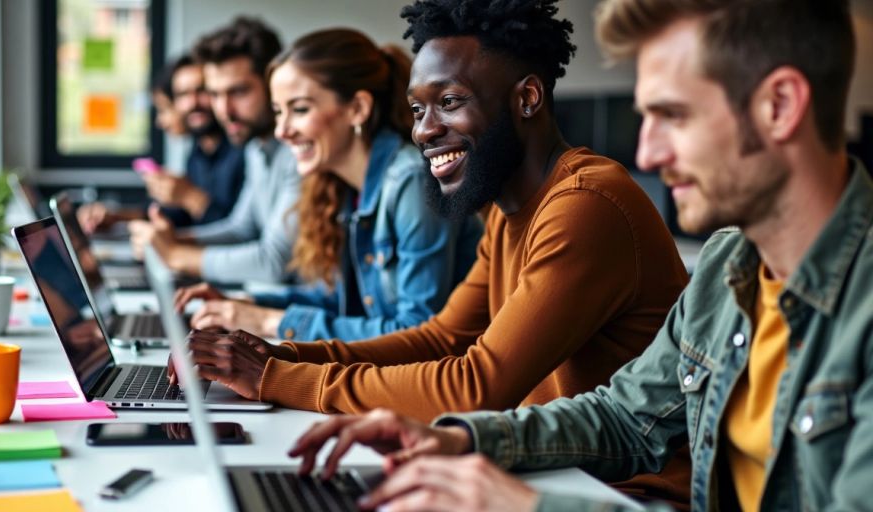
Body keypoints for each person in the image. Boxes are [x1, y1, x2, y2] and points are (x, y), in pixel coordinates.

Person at [289, 0, 868, 510]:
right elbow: (625, 419)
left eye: (674, 115)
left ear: (779, 105)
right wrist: (461, 439)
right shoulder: (727, 266)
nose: (648, 151)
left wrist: (526, 505)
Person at [172, 0, 692, 506]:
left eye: (449, 102)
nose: (424, 131)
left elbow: (476, 384)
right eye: (418, 110)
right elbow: (441, 338)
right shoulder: (509, 211)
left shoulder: (585, 204)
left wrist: (277, 379)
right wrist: (280, 354)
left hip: (621, 493)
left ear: (527, 97)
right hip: (547, 472)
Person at [171, 28, 482, 342]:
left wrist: (269, 321)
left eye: (300, 109)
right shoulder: (342, 187)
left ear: (357, 109)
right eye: (279, 112)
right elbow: (347, 303)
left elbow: (417, 333)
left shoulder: (411, 183)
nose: (282, 131)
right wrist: (246, 305)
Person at [131, 17, 300, 284]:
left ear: (272, 83)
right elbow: (241, 229)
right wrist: (171, 240)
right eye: (216, 94)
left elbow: (273, 262)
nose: (224, 110)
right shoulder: (256, 147)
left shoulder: (299, 152)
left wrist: (176, 254)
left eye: (239, 92)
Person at [78, 55, 245, 232]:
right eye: (182, 94)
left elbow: (240, 231)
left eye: (201, 90)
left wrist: (189, 196)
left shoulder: (243, 151)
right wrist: (115, 217)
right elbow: (180, 216)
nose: (192, 102)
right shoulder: (197, 153)